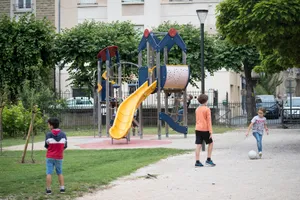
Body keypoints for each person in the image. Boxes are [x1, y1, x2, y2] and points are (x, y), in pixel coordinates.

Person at [44, 117, 67, 195]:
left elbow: (46, 146)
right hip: (59, 157)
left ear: (51, 126)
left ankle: (48, 190)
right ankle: (62, 188)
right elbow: (65, 146)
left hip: (50, 156)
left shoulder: (48, 134)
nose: (48, 125)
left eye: (48, 124)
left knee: (49, 173)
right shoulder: (63, 134)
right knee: (59, 172)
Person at [195, 94, 216, 167]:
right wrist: (210, 131)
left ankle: (197, 161)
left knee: (198, 145)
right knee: (211, 143)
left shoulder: (197, 109)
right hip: (205, 129)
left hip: (197, 129)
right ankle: (208, 159)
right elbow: (209, 121)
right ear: (206, 101)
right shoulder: (207, 109)